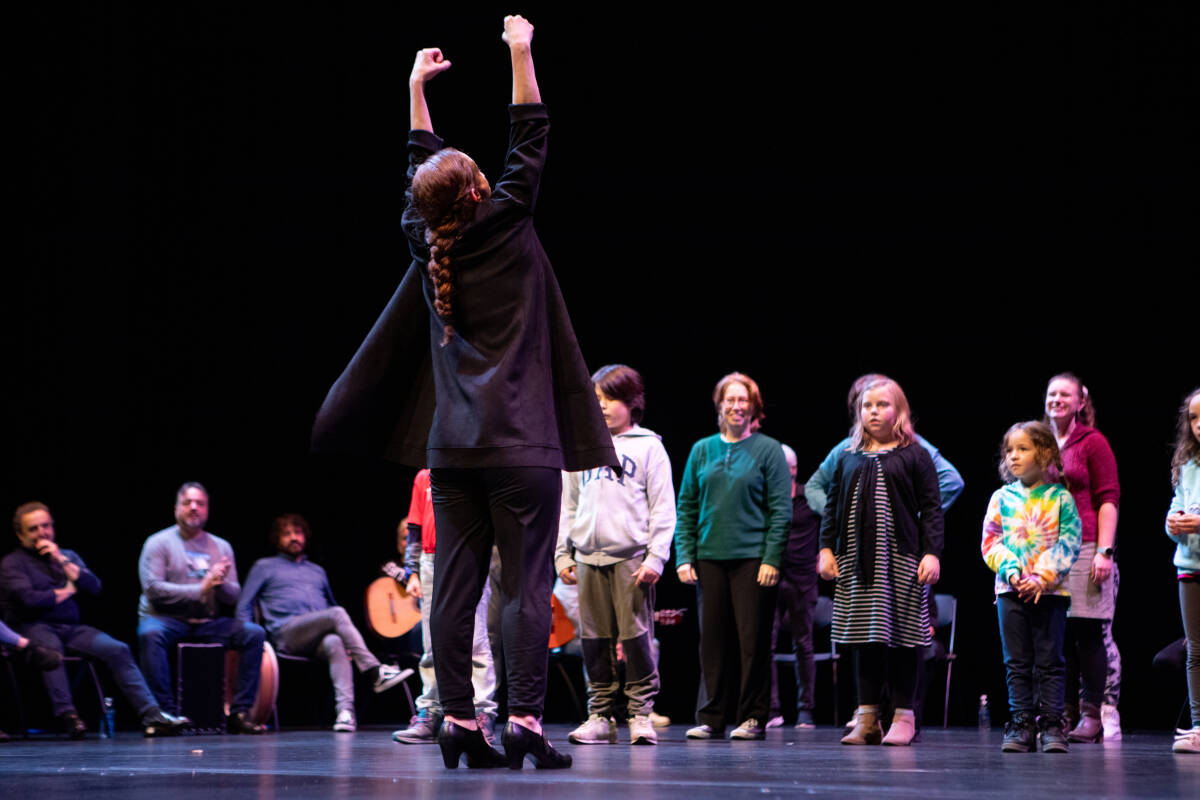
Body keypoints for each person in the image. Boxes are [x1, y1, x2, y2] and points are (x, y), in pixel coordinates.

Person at [313, 15, 619, 769]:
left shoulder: (424, 239)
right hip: (521, 447)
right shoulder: (507, 221)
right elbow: (530, 136)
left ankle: (456, 721)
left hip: (450, 451)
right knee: (524, 589)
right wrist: (520, 50)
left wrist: (415, 89)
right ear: (481, 189)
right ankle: (523, 722)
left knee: (451, 591)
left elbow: (423, 168)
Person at [818, 376, 943, 747]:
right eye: (867, 406)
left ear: (899, 410)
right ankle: (868, 717)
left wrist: (931, 552)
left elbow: (932, 509)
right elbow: (832, 506)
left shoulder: (915, 455)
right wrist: (826, 549)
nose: (873, 412)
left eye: (882, 405)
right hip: (857, 562)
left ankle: (904, 716)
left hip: (901, 560)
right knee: (864, 638)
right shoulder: (847, 457)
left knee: (903, 637)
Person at [557, 364, 675, 746]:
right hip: (588, 558)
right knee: (594, 640)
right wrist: (562, 555)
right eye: (596, 399)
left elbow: (663, 508)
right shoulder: (580, 446)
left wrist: (656, 557)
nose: (602, 406)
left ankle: (640, 713)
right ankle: (600, 714)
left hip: (631, 559)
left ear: (631, 402)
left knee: (636, 638)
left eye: (610, 399)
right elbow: (568, 506)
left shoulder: (649, 447)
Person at [2, 502, 189, 737]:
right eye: (33, 529)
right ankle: (69, 716)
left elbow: (94, 586)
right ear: (20, 534)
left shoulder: (67, 556)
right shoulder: (12, 563)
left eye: (46, 526)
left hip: (70, 628)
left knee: (117, 649)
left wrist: (60, 559)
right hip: (31, 627)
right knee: (51, 649)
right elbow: (30, 600)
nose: (42, 533)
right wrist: (68, 590)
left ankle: (151, 714)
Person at [676, 372, 790, 742]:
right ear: (719, 404)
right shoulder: (702, 450)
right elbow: (687, 505)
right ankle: (711, 716)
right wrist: (684, 556)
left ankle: (753, 716)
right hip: (709, 557)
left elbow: (780, 509)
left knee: (752, 642)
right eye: (730, 399)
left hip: (753, 559)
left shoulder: (768, 449)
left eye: (744, 400)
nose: (737, 406)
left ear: (754, 407)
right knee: (712, 641)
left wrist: (772, 558)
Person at [237, 513, 410, 733]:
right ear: (277, 539)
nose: (293, 537)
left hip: (315, 636)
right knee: (336, 614)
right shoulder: (264, 566)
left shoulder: (317, 571)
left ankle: (345, 713)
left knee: (335, 641)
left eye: (298, 532)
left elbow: (330, 605)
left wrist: (350, 640)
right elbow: (244, 605)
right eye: (287, 534)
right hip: (286, 633)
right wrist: (248, 636)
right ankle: (375, 671)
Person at [982, 422, 1081, 753]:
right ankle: (1021, 723)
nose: (1013, 456)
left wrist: (1042, 576)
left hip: (1050, 592)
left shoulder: (1060, 498)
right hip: (1010, 591)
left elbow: (1069, 541)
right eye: (1009, 450)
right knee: (1017, 662)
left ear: (1045, 453)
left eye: (1022, 449)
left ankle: (1052, 724)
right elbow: (991, 542)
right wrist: (1012, 573)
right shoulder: (1001, 498)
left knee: (1050, 661)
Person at [136, 482, 267, 734]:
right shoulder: (158, 543)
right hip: (166, 619)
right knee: (150, 634)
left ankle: (239, 713)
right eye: (187, 503)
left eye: (200, 503)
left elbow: (233, 595)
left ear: (207, 510)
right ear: (176, 508)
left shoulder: (221, 546)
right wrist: (202, 588)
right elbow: (153, 590)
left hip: (206, 623)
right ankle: (164, 715)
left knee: (253, 633)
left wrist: (219, 583)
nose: (194, 507)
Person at [391, 470, 499, 744]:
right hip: (430, 560)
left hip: (470, 554)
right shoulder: (424, 477)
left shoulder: (476, 470)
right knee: (432, 642)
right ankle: (431, 712)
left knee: (475, 640)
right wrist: (411, 571)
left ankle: (481, 712)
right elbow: (414, 528)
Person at [1043, 373, 1120, 742]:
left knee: (1087, 632)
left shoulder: (1092, 442)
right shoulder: (1040, 441)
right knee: (1056, 634)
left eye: (1065, 394)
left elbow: (1108, 499)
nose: (1057, 399)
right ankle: (1063, 712)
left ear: (1079, 402)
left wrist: (1104, 551)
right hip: (1046, 548)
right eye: (1052, 394)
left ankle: (1092, 714)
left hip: (1085, 544)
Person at [1167, 388, 1200, 753]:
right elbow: (1178, 507)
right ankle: (1199, 726)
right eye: (1193, 417)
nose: (1198, 424)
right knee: (1196, 651)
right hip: (1190, 566)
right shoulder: (1188, 467)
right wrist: (1173, 523)